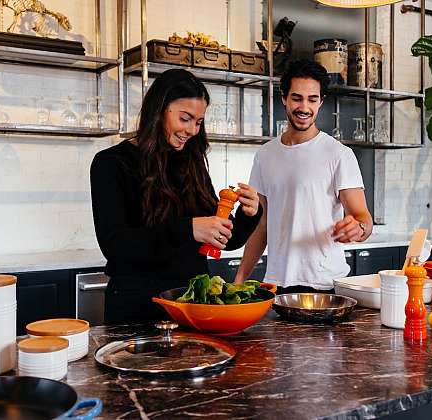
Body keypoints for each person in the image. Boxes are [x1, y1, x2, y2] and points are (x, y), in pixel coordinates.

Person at [90, 69, 262, 324]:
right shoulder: (111, 163)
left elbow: (222, 240)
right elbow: (115, 245)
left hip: (192, 305)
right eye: (185, 118)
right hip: (136, 306)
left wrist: (249, 214)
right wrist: (189, 229)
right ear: (159, 109)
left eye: (199, 122)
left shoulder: (192, 162)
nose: (192, 130)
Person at [234, 59, 373, 293]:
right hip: (277, 284)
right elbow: (261, 224)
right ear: (284, 99)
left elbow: (363, 219)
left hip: (325, 284)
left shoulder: (339, 154)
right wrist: (240, 278)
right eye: (297, 98)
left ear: (321, 102)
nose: (304, 107)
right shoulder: (265, 155)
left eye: (312, 99)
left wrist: (358, 228)